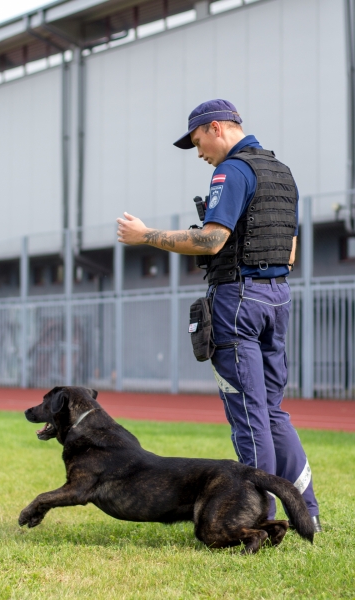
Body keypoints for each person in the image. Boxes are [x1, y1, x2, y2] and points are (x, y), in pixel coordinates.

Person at [116, 99, 321, 532]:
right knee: (273, 411)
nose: (199, 154)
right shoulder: (282, 174)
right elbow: (291, 251)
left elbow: (210, 240)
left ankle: (259, 519)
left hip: (239, 300)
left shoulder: (232, 171)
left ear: (216, 128)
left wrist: (144, 236)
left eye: (197, 142)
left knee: (248, 413)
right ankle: (309, 513)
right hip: (278, 297)